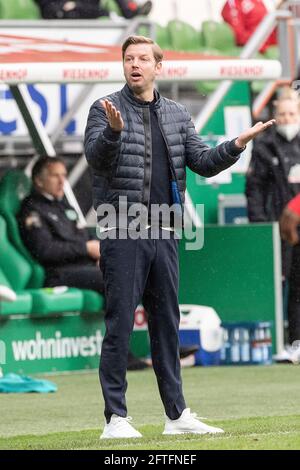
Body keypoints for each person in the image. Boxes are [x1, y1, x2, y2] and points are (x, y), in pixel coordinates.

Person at [84, 34, 274, 439]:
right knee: (119, 324)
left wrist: (237, 144)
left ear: (158, 67)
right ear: (123, 66)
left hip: (165, 229)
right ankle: (115, 418)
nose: (134, 64)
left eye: (142, 59)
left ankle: (177, 416)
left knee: (167, 324)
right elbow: (96, 160)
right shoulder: (104, 110)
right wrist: (113, 132)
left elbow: (203, 163)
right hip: (122, 228)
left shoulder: (176, 114)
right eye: (128, 58)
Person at [246, 88, 300, 346]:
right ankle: (277, 342)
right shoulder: (264, 145)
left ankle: (296, 340)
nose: (287, 118)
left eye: (292, 113)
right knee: (277, 284)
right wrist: (260, 227)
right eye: (283, 114)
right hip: (276, 227)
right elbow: (254, 189)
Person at [18, 156, 104, 293]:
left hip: (83, 265)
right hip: (59, 273)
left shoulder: (63, 206)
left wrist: (101, 255)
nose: (62, 181)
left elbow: (84, 234)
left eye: (64, 175)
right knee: (114, 278)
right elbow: (46, 250)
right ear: (39, 180)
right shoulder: (32, 210)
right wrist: (85, 248)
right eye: (55, 176)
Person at [34, 0, 152, 20]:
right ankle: (130, 12)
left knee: (100, 11)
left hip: (81, 8)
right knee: (102, 12)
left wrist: (76, 4)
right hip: (58, 13)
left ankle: (130, 11)